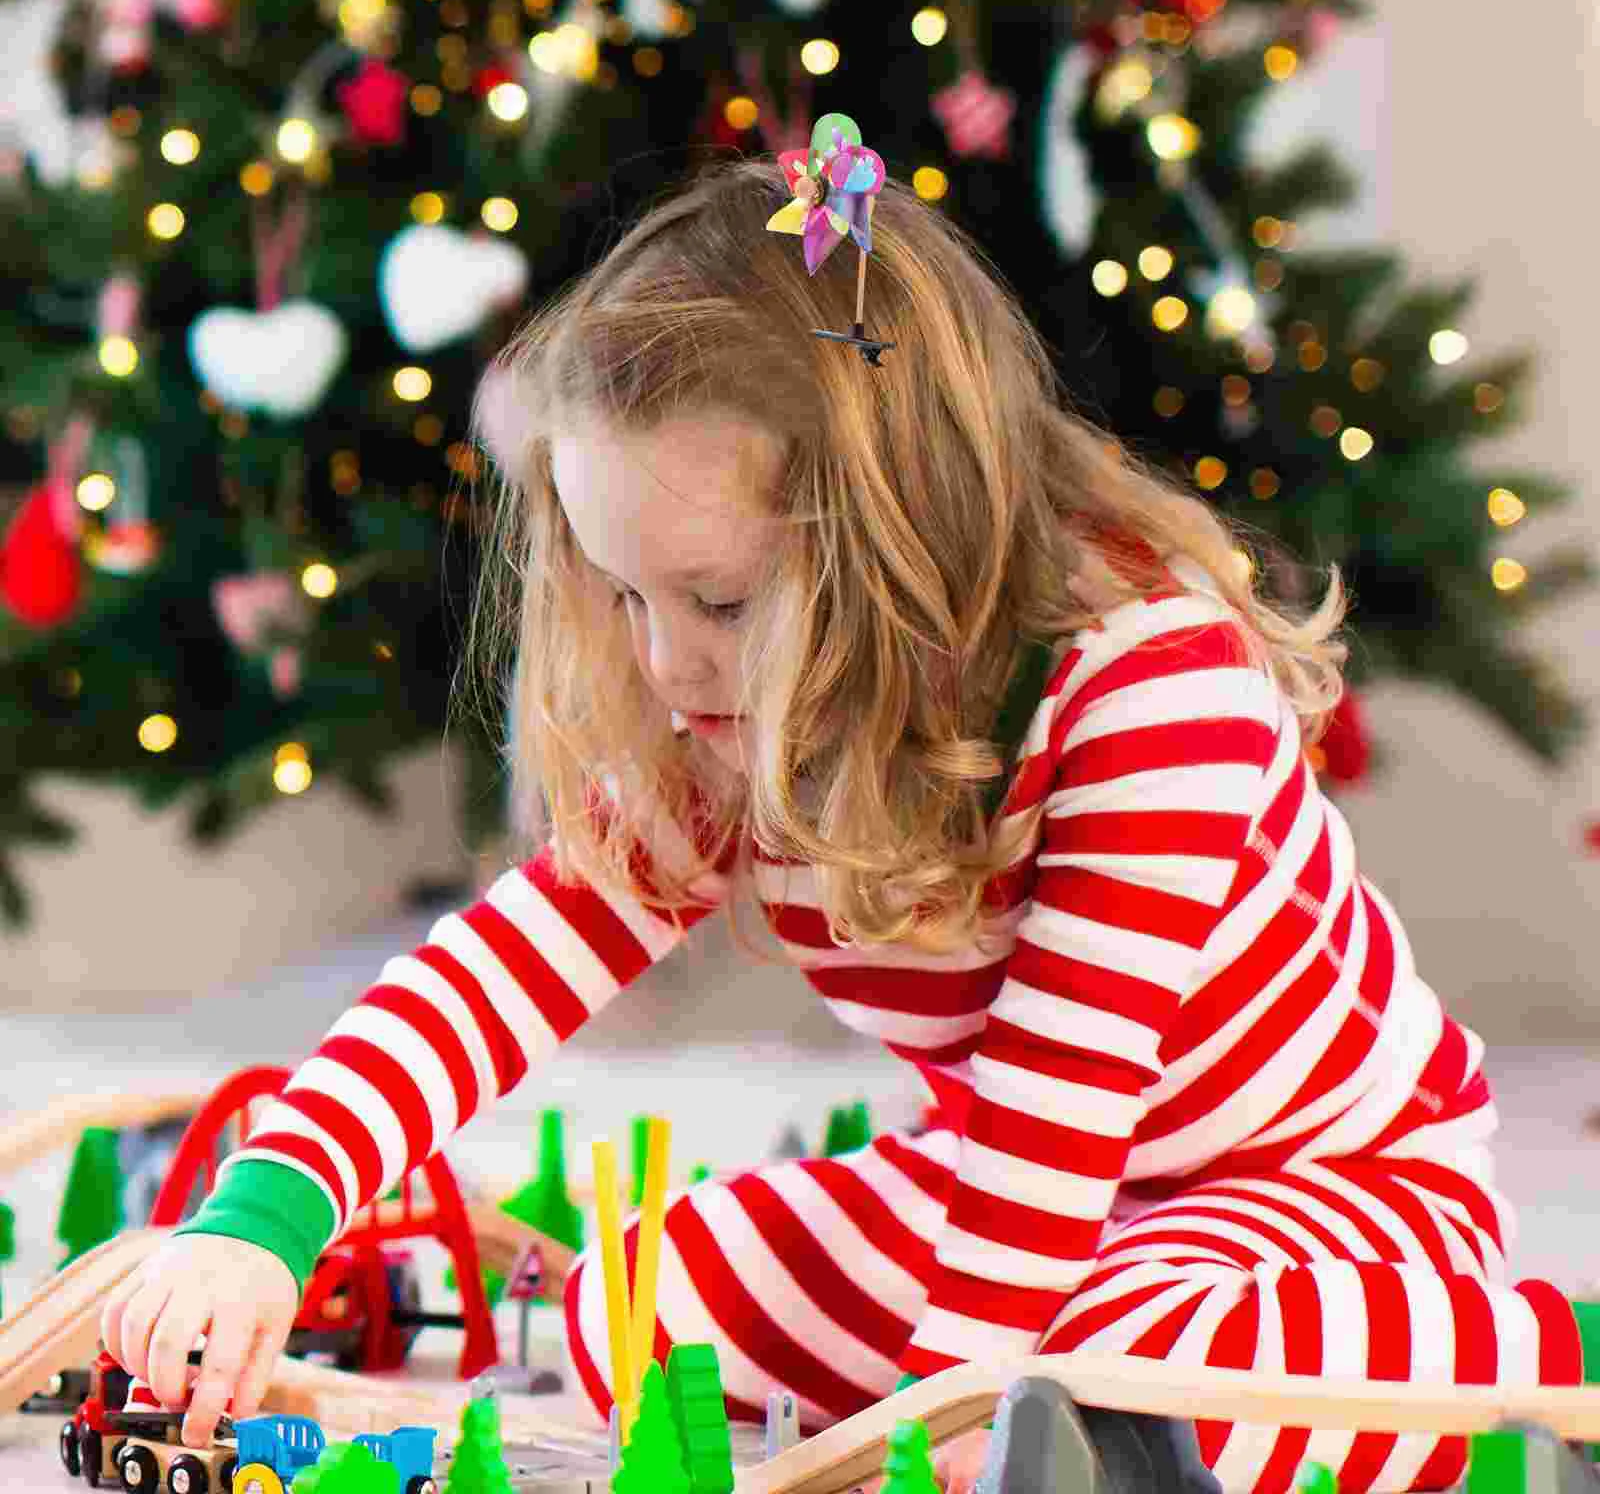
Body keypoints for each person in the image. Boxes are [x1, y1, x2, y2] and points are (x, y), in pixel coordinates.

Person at [101, 154, 1591, 1494]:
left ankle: (1510, 1345)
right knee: (655, 1312)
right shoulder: (733, 713)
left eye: (721, 602)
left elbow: (1051, 1133)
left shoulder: (1152, 696)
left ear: (905, 548)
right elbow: (498, 967)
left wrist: (942, 1436)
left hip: (1320, 1185)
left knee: (1104, 1378)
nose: (665, 661)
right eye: (623, 597)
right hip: (1034, 1193)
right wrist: (264, 1218)